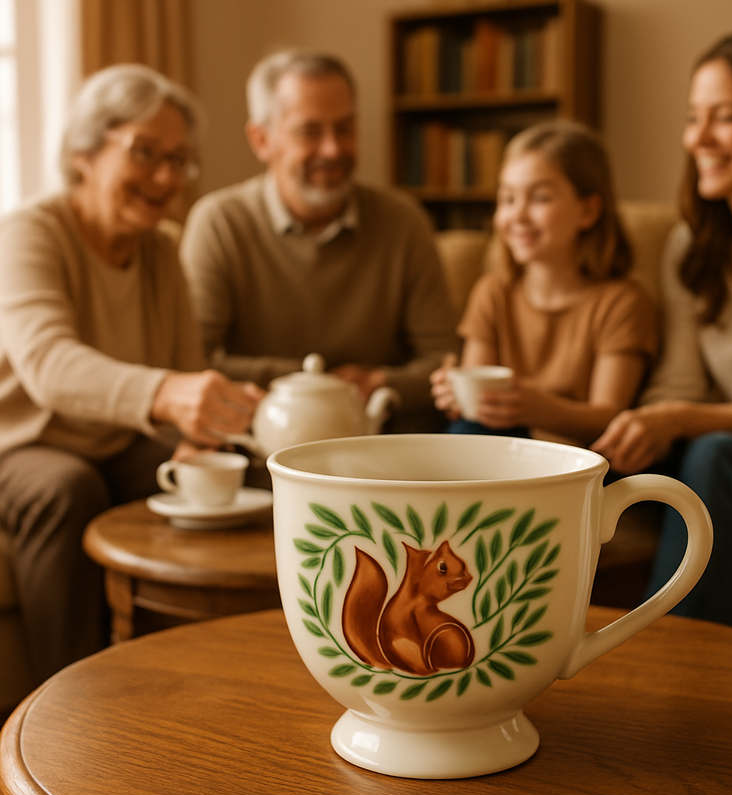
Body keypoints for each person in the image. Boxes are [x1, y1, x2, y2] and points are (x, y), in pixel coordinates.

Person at [0, 64, 263, 682]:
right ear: (84, 152)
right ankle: (63, 704)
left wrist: (204, 435)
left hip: (117, 442)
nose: (167, 177)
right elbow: (47, 364)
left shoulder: (162, 250)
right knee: (65, 490)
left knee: (235, 479)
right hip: (22, 445)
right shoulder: (28, 233)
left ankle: (209, 681)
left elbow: (185, 368)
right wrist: (169, 395)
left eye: (178, 159)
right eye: (146, 153)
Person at [593, 27, 732, 626]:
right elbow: (679, 383)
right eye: (693, 118)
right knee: (612, 454)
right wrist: (647, 424)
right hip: (730, 459)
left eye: (726, 117)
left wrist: (683, 419)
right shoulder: (691, 245)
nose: (699, 138)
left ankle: (674, 655)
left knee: (718, 455)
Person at [180, 49, 458, 432]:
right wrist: (314, 383)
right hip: (259, 449)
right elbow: (193, 361)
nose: (333, 149)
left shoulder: (404, 222)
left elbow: (445, 361)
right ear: (262, 140)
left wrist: (379, 383)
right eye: (310, 132)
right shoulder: (220, 223)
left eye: (345, 128)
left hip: (378, 452)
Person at [430, 121, 658, 447]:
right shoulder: (493, 292)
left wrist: (541, 411)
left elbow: (611, 417)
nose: (517, 215)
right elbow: (477, 411)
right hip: (505, 452)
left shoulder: (623, 302)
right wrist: (456, 396)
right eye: (507, 198)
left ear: (589, 210)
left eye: (538, 197)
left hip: (582, 462)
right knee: (467, 432)